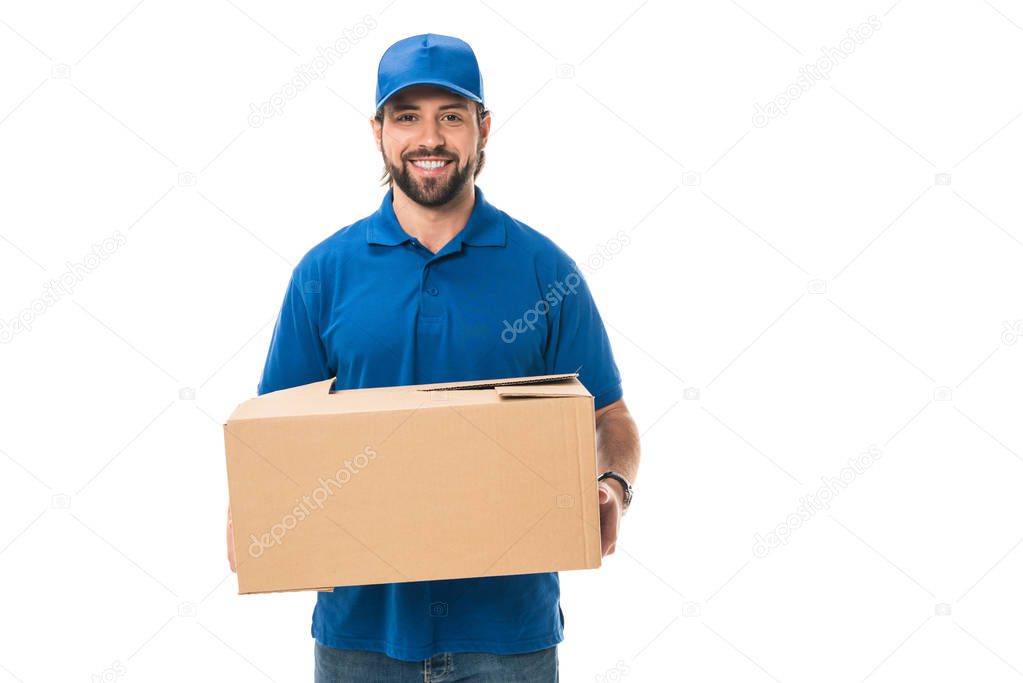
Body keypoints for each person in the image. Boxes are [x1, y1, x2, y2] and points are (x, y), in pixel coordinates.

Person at [227, 33, 641, 682]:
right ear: (377, 132)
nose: (430, 137)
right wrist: (250, 514)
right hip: (361, 633)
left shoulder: (543, 270)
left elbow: (609, 413)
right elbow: (274, 436)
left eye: (450, 116)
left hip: (507, 635)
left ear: (482, 128)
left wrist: (611, 483)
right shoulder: (324, 274)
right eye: (406, 116)